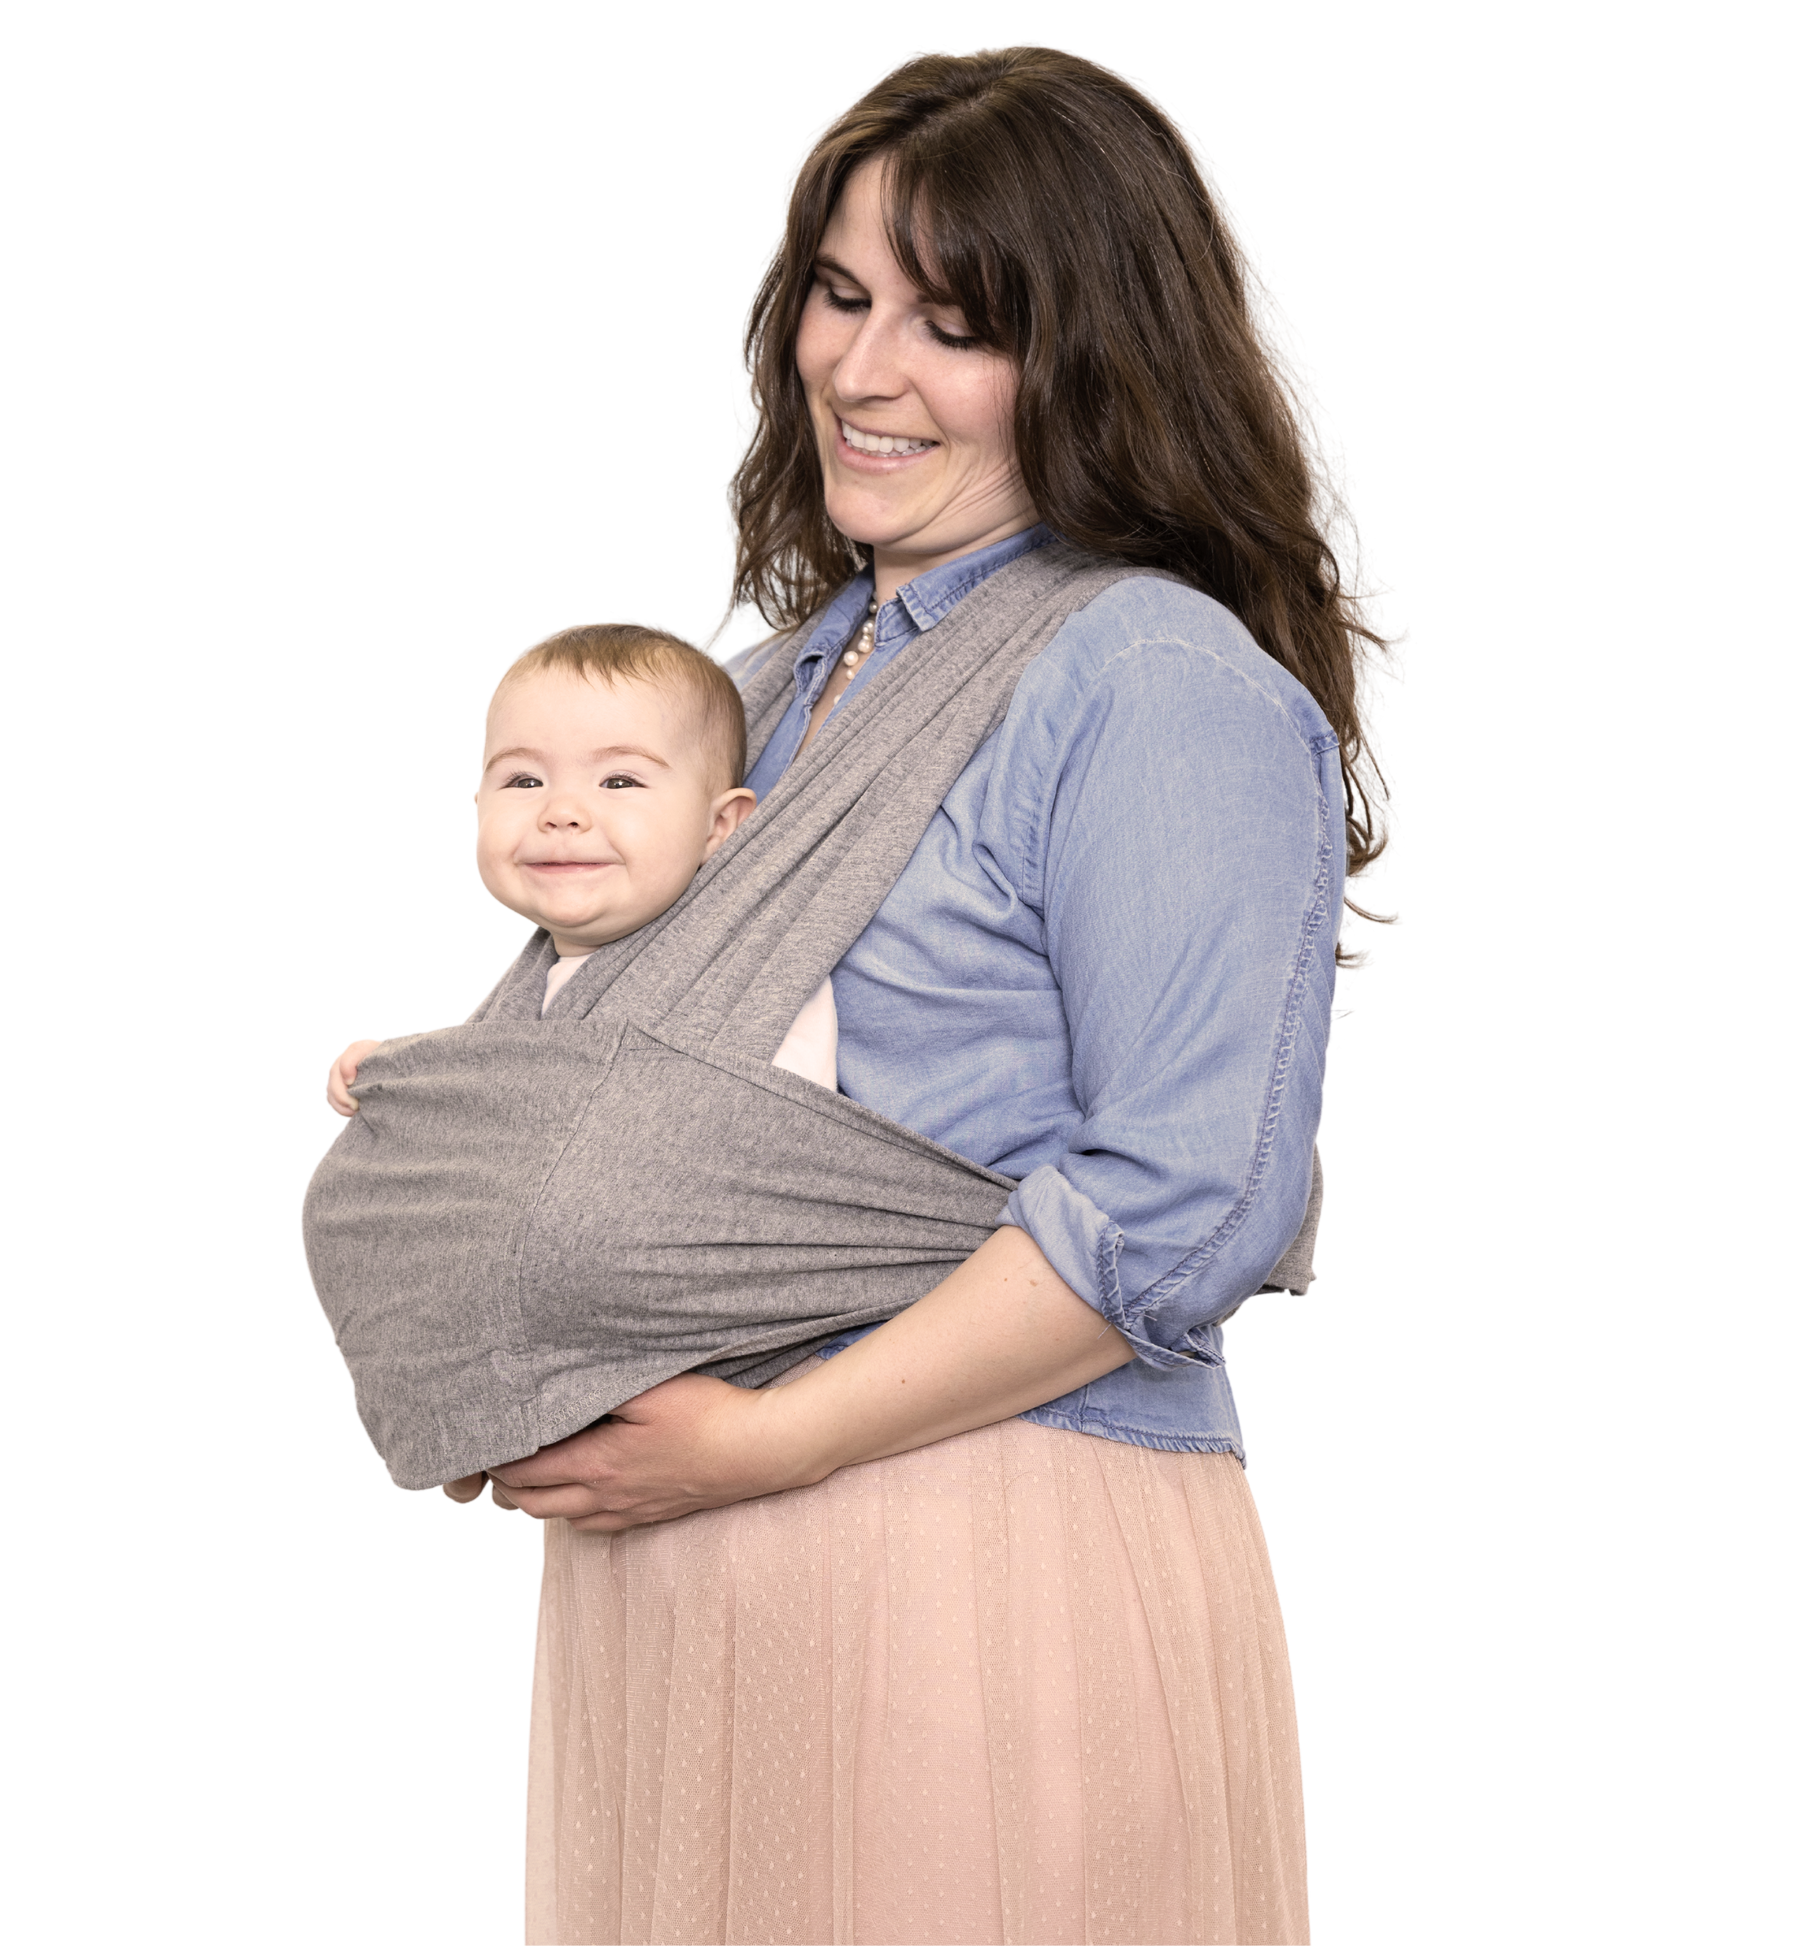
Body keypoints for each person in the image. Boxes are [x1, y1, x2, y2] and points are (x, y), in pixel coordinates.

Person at [438, 42, 1407, 1944]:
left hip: (976, 1558)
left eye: (954, 326)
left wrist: (771, 1441)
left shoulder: (1153, 685)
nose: (862, 374)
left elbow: (1187, 1199)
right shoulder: (767, 690)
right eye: (842, 293)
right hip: (672, 1573)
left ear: (1098, 356)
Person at [320, 622, 841, 1126]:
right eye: (525, 780)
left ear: (718, 824)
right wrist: (403, 1071)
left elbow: (778, 1145)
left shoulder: (756, 975)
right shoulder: (528, 984)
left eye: (618, 781)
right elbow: (498, 1092)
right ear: (476, 805)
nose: (562, 811)